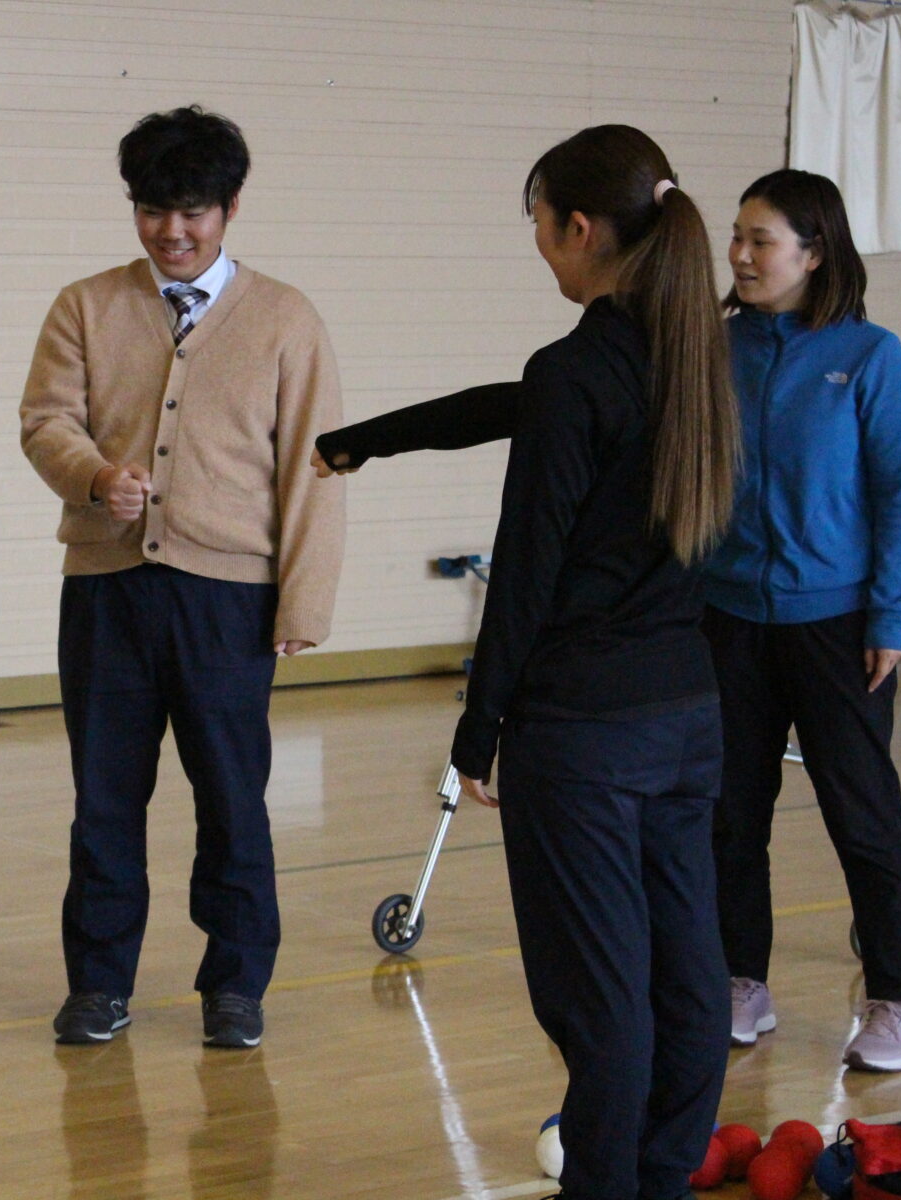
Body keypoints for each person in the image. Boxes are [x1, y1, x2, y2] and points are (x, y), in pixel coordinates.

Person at [315, 125, 739, 1200]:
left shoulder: (582, 371)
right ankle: (657, 1178)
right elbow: (526, 404)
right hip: (687, 717)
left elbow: (527, 576)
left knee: (603, 1009)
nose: (542, 252)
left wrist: (475, 733)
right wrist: (378, 435)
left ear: (582, 230)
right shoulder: (694, 355)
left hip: (584, 742)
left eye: (542, 231)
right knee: (685, 985)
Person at [19, 105, 345, 1049]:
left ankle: (235, 985)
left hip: (229, 600)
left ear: (231, 207)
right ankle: (98, 983)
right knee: (106, 797)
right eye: (153, 209)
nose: (172, 230)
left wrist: (304, 599)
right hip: (107, 590)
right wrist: (93, 475)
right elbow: (46, 421)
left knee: (234, 798)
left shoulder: (287, 319)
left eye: (192, 210)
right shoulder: (85, 305)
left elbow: (315, 470)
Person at [712, 169, 901, 1071]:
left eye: (762, 240)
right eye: (738, 236)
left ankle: (898, 1004)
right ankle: (738, 981)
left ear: (815, 252)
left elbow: (896, 493)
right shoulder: (713, 349)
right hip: (727, 619)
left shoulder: (871, 356)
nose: (742, 254)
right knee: (730, 814)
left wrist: (888, 614)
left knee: (862, 815)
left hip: (838, 628)